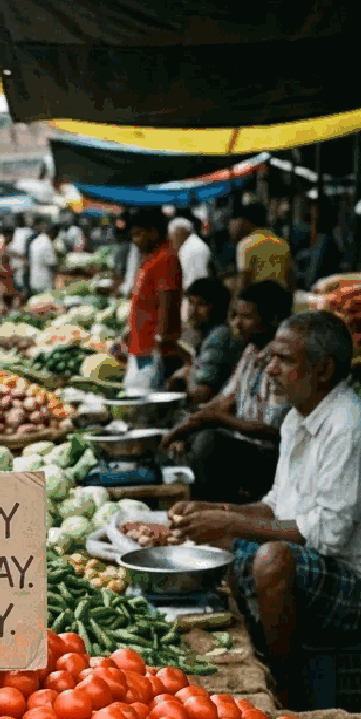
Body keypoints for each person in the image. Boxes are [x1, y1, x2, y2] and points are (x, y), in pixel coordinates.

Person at [173, 310, 361, 701]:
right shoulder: (297, 420)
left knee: (273, 559)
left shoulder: (350, 428)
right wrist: (217, 513)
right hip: (325, 566)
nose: (270, 369)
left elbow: (327, 537)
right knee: (222, 541)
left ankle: (285, 689)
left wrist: (228, 521)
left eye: (284, 359)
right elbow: (275, 506)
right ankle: (253, 654)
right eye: (271, 358)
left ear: (322, 370)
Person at [163, 281, 293, 504]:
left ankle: (220, 509)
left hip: (271, 458)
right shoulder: (251, 352)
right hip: (242, 444)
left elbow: (272, 432)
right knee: (186, 422)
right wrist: (185, 427)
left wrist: (213, 420)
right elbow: (224, 400)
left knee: (208, 441)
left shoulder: (280, 362)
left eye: (246, 317)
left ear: (272, 319)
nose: (236, 324)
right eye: (234, 316)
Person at [124, 209, 183, 392]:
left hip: (152, 347)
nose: (135, 241)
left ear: (154, 232)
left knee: (148, 396)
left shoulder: (166, 258)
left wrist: (160, 340)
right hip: (141, 343)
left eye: (139, 234)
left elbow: (167, 301)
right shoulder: (151, 258)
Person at [178, 277, 242, 402]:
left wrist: (186, 376)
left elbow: (203, 394)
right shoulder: (210, 335)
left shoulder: (219, 336)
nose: (193, 311)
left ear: (217, 308)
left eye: (201, 304)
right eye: (191, 303)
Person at [233, 202, 295, 292]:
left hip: (257, 300)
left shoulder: (246, 244)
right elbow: (290, 278)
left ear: (246, 222)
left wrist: (235, 301)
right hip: (281, 299)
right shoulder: (282, 243)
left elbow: (243, 280)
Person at [304, 199, 344, 291]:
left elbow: (313, 273)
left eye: (313, 220)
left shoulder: (322, 242)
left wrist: (308, 287)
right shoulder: (333, 239)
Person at [169, 216, 212, 291]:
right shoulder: (189, 245)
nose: (172, 242)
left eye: (173, 236)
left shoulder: (192, 248)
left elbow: (196, 281)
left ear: (181, 232)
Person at [27, 218, 58, 295]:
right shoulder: (47, 243)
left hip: (34, 280)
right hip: (44, 281)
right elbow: (52, 263)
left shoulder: (35, 241)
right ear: (53, 233)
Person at [10, 215, 33, 297]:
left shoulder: (24, 232)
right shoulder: (28, 232)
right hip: (21, 264)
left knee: (20, 286)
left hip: (20, 264)